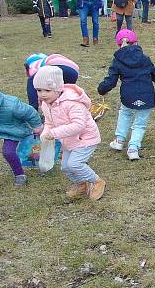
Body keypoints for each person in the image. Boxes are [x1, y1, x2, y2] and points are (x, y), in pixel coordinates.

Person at [98, 29, 155, 160]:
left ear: (118, 44)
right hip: (147, 96)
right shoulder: (145, 59)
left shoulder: (117, 60)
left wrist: (102, 89)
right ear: (136, 42)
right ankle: (133, 148)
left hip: (128, 96)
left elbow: (111, 79)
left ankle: (119, 140)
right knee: (140, 124)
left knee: (125, 113)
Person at [34, 66, 105, 200]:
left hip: (85, 138)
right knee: (66, 167)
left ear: (58, 89)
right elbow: (49, 122)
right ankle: (82, 184)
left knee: (75, 164)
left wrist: (54, 133)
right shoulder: (46, 104)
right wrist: (45, 133)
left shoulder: (73, 103)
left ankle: (96, 181)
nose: (42, 94)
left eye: (47, 90)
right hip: (69, 140)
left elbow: (79, 125)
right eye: (39, 90)